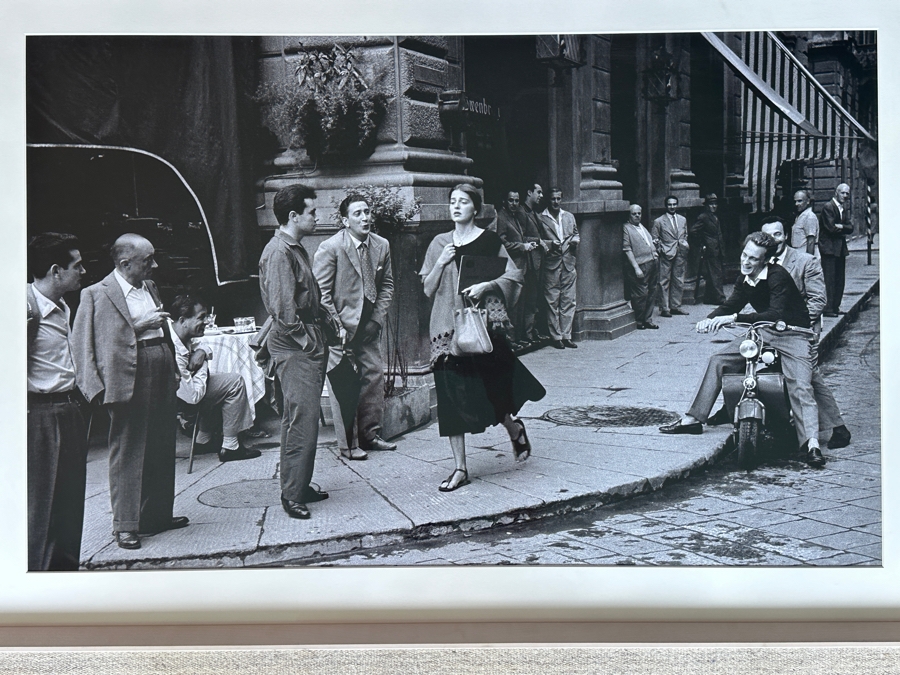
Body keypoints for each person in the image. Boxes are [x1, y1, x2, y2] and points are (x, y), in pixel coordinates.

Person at [658, 232, 825, 467]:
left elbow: (775, 313)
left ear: (765, 261)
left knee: (801, 385)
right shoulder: (744, 279)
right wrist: (710, 319)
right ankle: (693, 418)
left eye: (754, 259)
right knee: (719, 359)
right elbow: (731, 304)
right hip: (762, 332)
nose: (746, 262)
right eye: (744, 255)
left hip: (792, 334)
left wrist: (733, 318)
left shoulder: (778, 276)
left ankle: (811, 444)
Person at [419, 184, 546, 492]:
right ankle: (460, 468)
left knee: (494, 389)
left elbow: (514, 276)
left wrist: (486, 286)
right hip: (447, 331)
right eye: (452, 201)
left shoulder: (489, 240)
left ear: (475, 208)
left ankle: (514, 428)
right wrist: (440, 262)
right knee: (451, 398)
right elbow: (427, 288)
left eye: (463, 202)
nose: (456, 206)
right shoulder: (439, 243)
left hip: (483, 327)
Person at [71, 234, 187, 550]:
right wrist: (93, 389)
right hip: (126, 376)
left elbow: (162, 329)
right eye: (147, 260)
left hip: (160, 367)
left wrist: (174, 364)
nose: (155, 265)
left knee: (162, 443)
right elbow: (83, 344)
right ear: (125, 263)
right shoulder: (95, 295)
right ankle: (125, 524)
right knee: (128, 449)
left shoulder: (149, 287)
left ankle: (157, 516)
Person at [258, 184, 330, 520]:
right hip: (296, 344)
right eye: (312, 211)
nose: (317, 217)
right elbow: (284, 310)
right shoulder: (279, 252)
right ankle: (292, 495)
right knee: (302, 420)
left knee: (300, 418)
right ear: (293, 216)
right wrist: (308, 341)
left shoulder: (293, 247)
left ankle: (298, 485)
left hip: (304, 341)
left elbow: (305, 295)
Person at [313, 193, 396, 461]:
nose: (365, 217)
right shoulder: (331, 247)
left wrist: (376, 319)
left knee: (373, 376)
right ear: (345, 220)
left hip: (368, 326)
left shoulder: (381, 245)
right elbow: (321, 293)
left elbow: (387, 285)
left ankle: (371, 435)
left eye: (367, 211)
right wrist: (337, 327)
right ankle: (348, 445)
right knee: (344, 386)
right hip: (339, 329)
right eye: (357, 213)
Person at [760, 218, 851, 451]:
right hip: (773, 329)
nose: (773, 241)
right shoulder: (762, 262)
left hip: (801, 329)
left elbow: (818, 300)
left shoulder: (805, 261)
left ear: (786, 236)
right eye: (768, 237)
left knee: (809, 377)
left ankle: (837, 427)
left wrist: (791, 323)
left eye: (778, 235)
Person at [27, 233, 88, 570]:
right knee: (43, 508)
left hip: (68, 409)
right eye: (76, 265)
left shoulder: (62, 306)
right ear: (55, 271)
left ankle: (66, 576)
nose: (83, 271)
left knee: (68, 503)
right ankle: (40, 582)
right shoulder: (25, 308)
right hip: (41, 415)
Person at [167, 295, 261, 463]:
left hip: (183, 393)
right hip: (178, 403)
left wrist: (201, 352)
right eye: (201, 317)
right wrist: (202, 365)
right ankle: (231, 447)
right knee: (234, 383)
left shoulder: (178, 332)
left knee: (217, 382)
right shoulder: (174, 349)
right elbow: (193, 398)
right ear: (183, 320)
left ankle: (204, 439)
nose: (207, 322)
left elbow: (203, 346)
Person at [495, 190, 539, 345]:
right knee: (513, 304)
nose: (514, 204)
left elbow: (519, 237)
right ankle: (511, 340)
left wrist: (529, 243)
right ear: (504, 202)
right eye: (511, 200)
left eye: (516, 201)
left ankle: (518, 338)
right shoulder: (501, 217)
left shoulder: (515, 217)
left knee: (521, 303)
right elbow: (502, 242)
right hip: (511, 266)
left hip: (522, 266)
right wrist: (522, 246)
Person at [539, 187, 580, 348]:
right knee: (552, 301)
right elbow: (538, 239)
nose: (556, 202)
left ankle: (566, 335)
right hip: (551, 263)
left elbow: (576, 233)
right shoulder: (541, 218)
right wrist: (550, 244)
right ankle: (556, 337)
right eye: (553, 199)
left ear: (561, 199)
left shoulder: (569, 216)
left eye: (558, 199)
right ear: (548, 200)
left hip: (569, 262)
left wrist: (576, 240)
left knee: (569, 300)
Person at [651, 195, 690, 318]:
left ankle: (676, 306)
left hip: (680, 252)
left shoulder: (682, 219)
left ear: (677, 205)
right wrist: (660, 249)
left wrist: (684, 245)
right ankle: (665, 308)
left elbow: (685, 234)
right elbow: (654, 238)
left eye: (674, 204)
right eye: (670, 204)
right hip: (666, 253)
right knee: (664, 281)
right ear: (666, 206)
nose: (672, 207)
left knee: (678, 280)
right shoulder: (659, 221)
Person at [818, 183, 854, 317]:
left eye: (847, 194)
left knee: (840, 279)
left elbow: (851, 228)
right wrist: (843, 227)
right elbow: (831, 228)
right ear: (836, 193)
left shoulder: (842, 209)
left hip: (839, 249)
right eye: (842, 193)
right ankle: (828, 308)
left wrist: (842, 227)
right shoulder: (828, 207)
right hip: (829, 249)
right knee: (830, 279)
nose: (845, 196)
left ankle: (835, 307)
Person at [622, 204, 659, 330]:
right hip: (640, 264)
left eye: (639, 213)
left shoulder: (641, 226)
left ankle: (648, 319)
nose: (637, 215)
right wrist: (636, 267)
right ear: (629, 215)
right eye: (634, 214)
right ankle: (639, 320)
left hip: (652, 262)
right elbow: (627, 249)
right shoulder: (626, 228)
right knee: (640, 294)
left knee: (652, 291)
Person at [519, 183, 547, 341]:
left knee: (535, 297)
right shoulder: (522, 212)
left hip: (538, 261)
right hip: (528, 263)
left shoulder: (535, 213)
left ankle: (533, 330)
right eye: (539, 192)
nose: (541, 195)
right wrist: (538, 240)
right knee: (530, 298)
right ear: (529, 192)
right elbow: (520, 237)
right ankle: (528, 333)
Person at [690, 193, 727, 304]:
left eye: (715, 204)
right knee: (716, 274)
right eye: (711, 204)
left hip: (718, 248)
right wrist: (702, 244)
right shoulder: (703, 217)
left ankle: (709, 298)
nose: (714, 206)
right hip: (710, 250)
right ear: (706, 205)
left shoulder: (715, 216)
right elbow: (693, 231)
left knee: (714, 274)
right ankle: (721, 299)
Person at [790, 189, 819, 257]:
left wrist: (809, 261)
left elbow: (811, 241)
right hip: (798, 253)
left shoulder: (809, 217)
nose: (796, 204)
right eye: (795, 201)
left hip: (805, 253)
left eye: (800, 201)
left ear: (808, 201)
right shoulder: (800, 216)